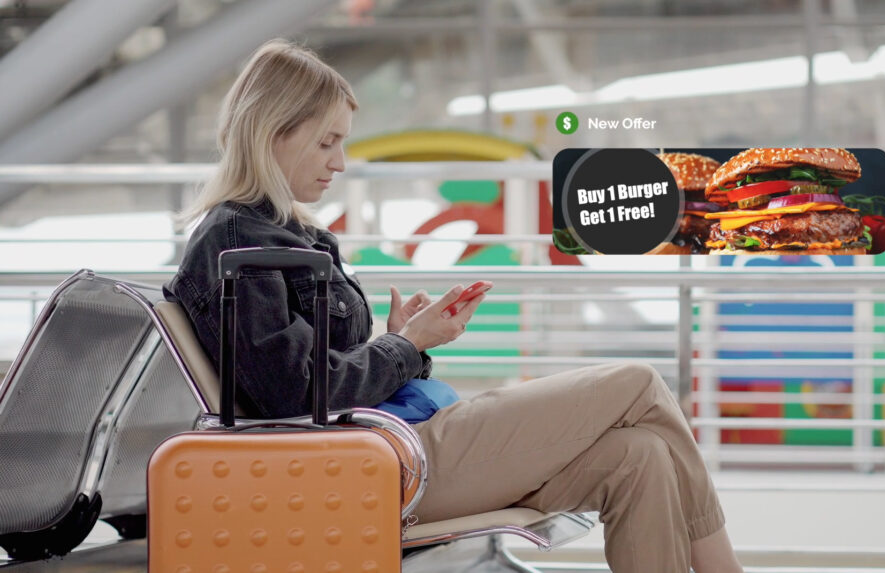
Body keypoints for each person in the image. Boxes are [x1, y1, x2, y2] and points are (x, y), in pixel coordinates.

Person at [165, 39, 743, 573]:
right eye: (326, 142)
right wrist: (406, 345)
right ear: (272, 134)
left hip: (382, 445)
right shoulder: (240, 241)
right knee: (637, 381)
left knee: (639, 456)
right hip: (367, 466)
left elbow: (298, 374)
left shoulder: (281, 235)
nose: (339, 161)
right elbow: (290, 391)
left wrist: (397, 342)